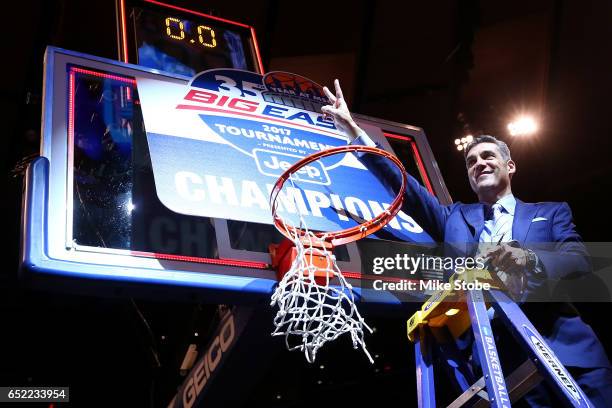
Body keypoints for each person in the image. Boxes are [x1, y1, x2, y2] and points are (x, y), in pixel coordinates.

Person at [321, 79, 612, 407]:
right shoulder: (453, 218)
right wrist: (354, 133)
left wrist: (529, 258)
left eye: (488, 156)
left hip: (570, 355)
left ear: (510, 166)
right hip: (507, 371)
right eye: (471, 161)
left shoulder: (551, 212)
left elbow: (579, 260)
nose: (479, 164)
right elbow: (405, 185)